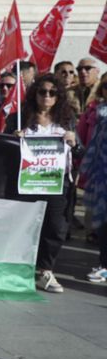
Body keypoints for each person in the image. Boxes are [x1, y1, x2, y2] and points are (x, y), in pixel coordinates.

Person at [8, 73, 79, 293]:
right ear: (34, 94)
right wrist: (12, 139)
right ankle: (20, 267)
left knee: (56, 228)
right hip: (29, 181)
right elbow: (2, 148)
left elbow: (80, 151)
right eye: (42, 92)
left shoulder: (67, 120)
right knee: (25, 226)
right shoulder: (20, 118)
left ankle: (46, 270)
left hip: (57, 183)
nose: (47, 96)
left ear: (58, 97)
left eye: (52, 93)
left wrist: (74, 143)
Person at [79, 83, 107, 283]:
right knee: (104, 224)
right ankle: (104, 265)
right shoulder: (100, 113)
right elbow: (95, 145)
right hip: (102, 175)